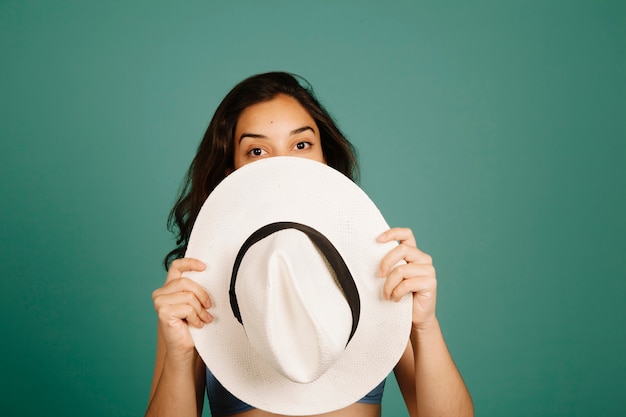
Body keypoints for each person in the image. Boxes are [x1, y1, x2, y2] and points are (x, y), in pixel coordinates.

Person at [146, 72, 474, 417]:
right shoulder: (197, 288)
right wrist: (181, 358)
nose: (283, 164)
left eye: (301, 144)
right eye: (257, 150)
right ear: (231, 172)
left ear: (325, 157)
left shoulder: (374, 265)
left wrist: (425, 327)